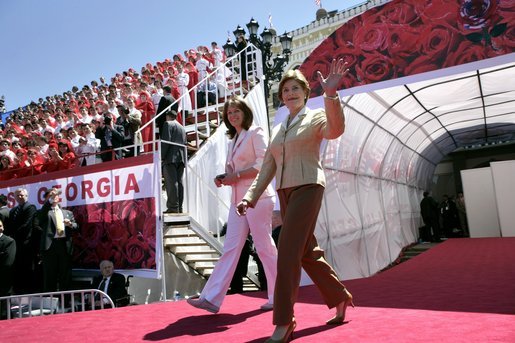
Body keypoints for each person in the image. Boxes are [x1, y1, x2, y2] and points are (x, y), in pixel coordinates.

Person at [236, 59, 353, 342]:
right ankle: (340, 297)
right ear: (282, 97)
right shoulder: (277, 129)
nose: (290, 93)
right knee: (305, 251)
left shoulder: (314, 116)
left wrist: (331, 96)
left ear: (306, 92)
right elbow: (268, 167)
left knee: (287, 251)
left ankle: (284, 322)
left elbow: (335, 131)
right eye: (285, 90)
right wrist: (250, 197)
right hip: (285, 193)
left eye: (295, 88)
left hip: (309, 186)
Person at [188, 96, 277, 313]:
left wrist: (235, 176)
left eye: (236, 111)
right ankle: (211, 297)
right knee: (230, 248)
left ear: (245, 112)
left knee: (264, 247)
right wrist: (225, 178)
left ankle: (279, 294)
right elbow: (236, 172)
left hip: (257, 198)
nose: (233, 115)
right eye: (229, 113)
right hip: (237, 200)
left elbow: (263, 164)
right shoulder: (233, 140)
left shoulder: (256, 132)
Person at [34, 188, 78, 292]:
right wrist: (50, 201)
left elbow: (76, 226)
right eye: (51, 196)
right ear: (46, 199)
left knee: (65, 274)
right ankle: (50, 302)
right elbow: (40, 219)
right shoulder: (43, 212)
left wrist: (70, 224)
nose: (54, 197)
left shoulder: (67, 212)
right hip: (50, 247)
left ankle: (66, 301)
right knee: (50, 275)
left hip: (64, 245)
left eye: (55, 195)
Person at [8, 188, 37, 294]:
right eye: (17, 195)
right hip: (15, 245)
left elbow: (26, 225)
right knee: (17, 269)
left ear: (26, 196)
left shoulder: (30, 208)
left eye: (22, 195)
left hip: (26, 245)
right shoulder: (13, 211)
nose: (20, 197)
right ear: (14, 197)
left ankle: (29, 292)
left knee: (28, 269)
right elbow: (9, 226)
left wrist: (12, 236)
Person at [160, 110, 187, 213]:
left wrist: (161, 156)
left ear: (168, 116)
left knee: (171, 183)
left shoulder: (168, 124)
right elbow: (185, 143)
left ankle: (173, 207)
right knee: (179, 183)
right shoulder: (182, 127)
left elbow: (166, 141)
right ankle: (179, 207)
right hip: (181, 158)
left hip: (170, 157)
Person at [0, 219, 16, 319]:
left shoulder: (9, 241)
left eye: (0, 225)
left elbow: (8, 263)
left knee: (4, 315)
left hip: (3, 283)